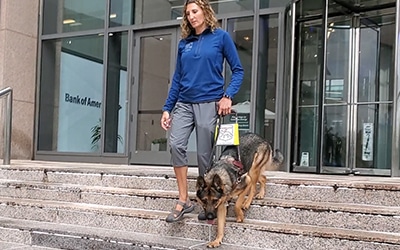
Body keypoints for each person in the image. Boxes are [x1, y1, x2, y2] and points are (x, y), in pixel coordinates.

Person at [160, 0, 244, 223]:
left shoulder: (221, 37)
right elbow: (177, 79)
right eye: (188, 13)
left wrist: (227, 96)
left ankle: (207, 200)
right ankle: (183, 199)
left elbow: (238, 70)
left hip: (209, 101)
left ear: (205, 11)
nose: (191, 16)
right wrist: (167, 108)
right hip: (184, 103)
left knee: (204, 155)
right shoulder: (184, 44)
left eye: (195, 11)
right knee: (176, 144)